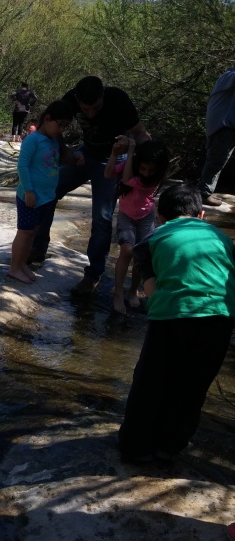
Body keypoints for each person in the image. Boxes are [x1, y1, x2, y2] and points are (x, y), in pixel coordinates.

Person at [117, 183, 235, 462]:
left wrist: (160, 305)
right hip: (220, 317)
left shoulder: (154, 237)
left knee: (150, 383)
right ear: (201, 215)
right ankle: (169, 445)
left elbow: (149, 282)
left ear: (159, 217)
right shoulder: (222, 238)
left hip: (173, 316)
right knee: (193, 386)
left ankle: (135, 448)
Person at [29, 76, 151, 297]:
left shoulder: (118, 99)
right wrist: (65, 151)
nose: (91, 113)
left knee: (102, 218)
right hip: (86, 153)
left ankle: (92, 275)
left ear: (103, 95)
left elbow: (141, 133)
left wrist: (147, 170)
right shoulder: (70, 100)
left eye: (96, 108)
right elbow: (47, 125)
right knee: (48, 191)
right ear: (77, 100)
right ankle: (38, 248)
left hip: (113, 160)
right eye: (86, 109)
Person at [7, 100, 75, 283]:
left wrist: (74, 158)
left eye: (65, 126)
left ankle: (22, 265)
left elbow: (53, 163)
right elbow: (22, 165)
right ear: (47, 119)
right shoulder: (33, 139)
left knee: (33, 233)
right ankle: (14, 267)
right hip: (30, 196)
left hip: (46, 197)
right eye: (59, 124)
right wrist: (28, 190)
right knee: (25, 232)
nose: (61, 129)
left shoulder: (53, 141)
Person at [103, 137, 170, 314]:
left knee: (141, 255)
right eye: (143, 168)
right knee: (126, 250)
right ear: (138, 163)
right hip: (126, 214)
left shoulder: (154, 179)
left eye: (150, 170)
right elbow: (108, 174)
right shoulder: (130, 164)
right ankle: (118, 292)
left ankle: (133, 290)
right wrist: (114, 154)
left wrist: (131, 152)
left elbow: (126, 180)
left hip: (145, 216)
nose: (146, 173)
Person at [197, 67, 235, 207]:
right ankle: (204, 193)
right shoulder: (229, 76)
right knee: (217, 160)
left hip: (226, 126)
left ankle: (206, 191)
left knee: (218, 160)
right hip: (222, 126)